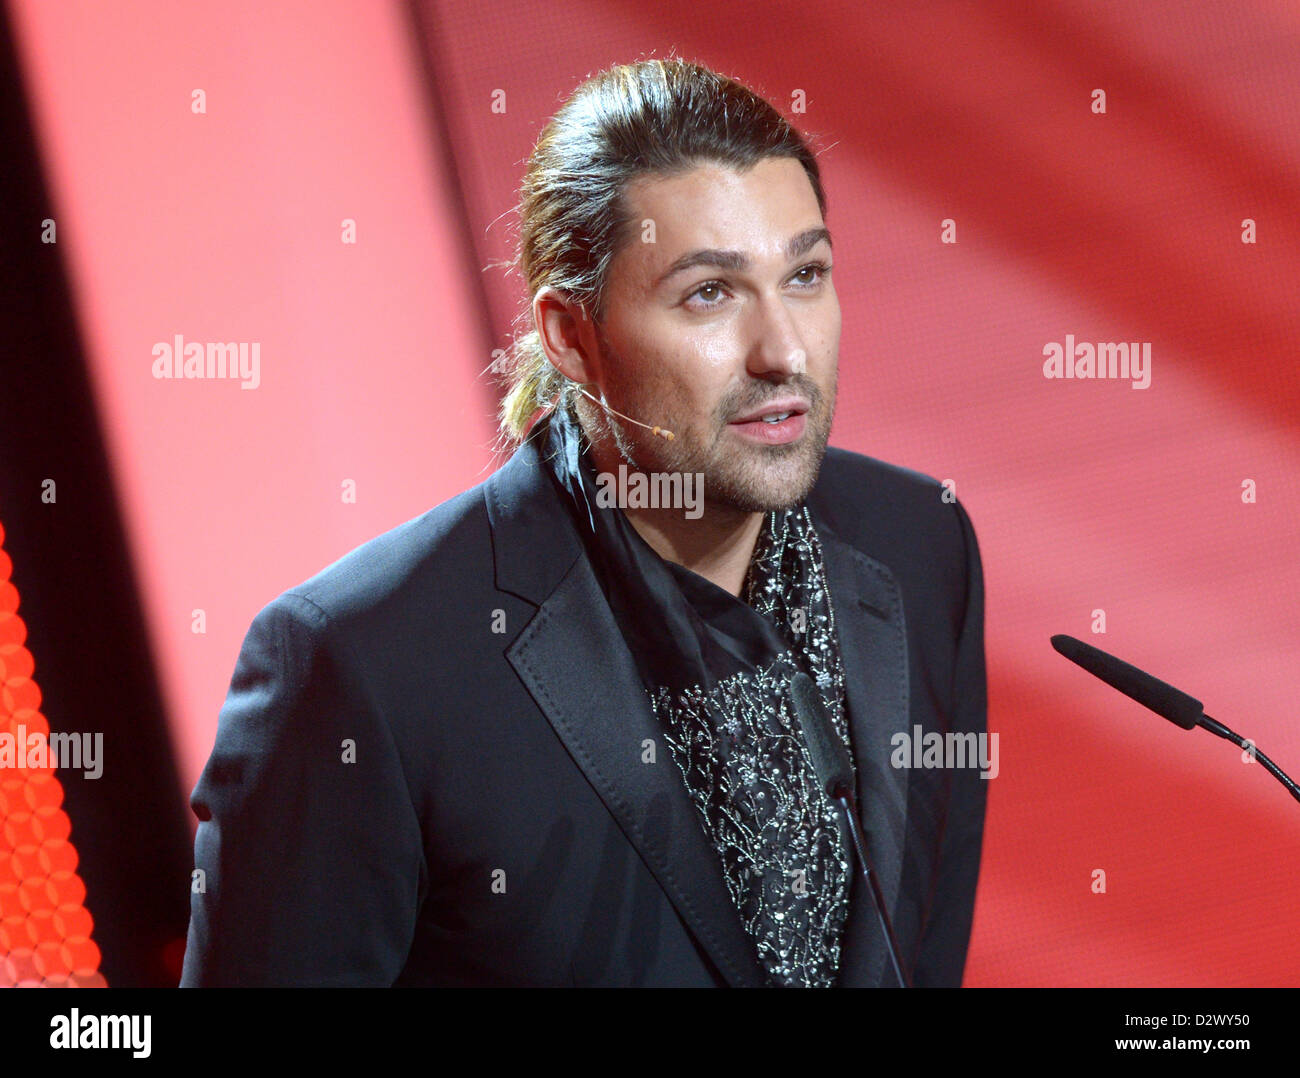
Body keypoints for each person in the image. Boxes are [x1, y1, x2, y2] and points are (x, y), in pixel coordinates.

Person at [179, 57, 987, 988]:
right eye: (709, 294)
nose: (783, 351)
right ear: (571, 335)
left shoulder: (919, 546)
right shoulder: (365, 667)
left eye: (804, 274)